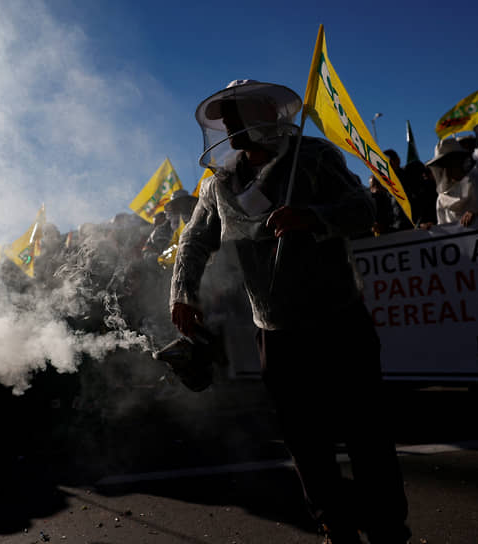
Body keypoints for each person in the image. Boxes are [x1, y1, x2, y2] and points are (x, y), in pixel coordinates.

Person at [169, 79, 410, 544]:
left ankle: (387, 528)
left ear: (266, 114)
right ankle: (335, 524)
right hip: (276, 331)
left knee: (366, 432)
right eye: (226, 120)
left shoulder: (314, 156)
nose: (231, 128)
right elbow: (195, 240)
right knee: (304, 440)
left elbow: (363, 208)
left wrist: (313, 218)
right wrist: (182, 292)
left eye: (239, 116)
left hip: (339, 319)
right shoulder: (220, 183)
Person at [425, 138, 478, 228]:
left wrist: (477, 215)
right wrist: (432, 228)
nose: (447, 168)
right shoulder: (441, 198)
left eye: (451, 161)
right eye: (444, 164)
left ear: (460, 160)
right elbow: (442, 229)